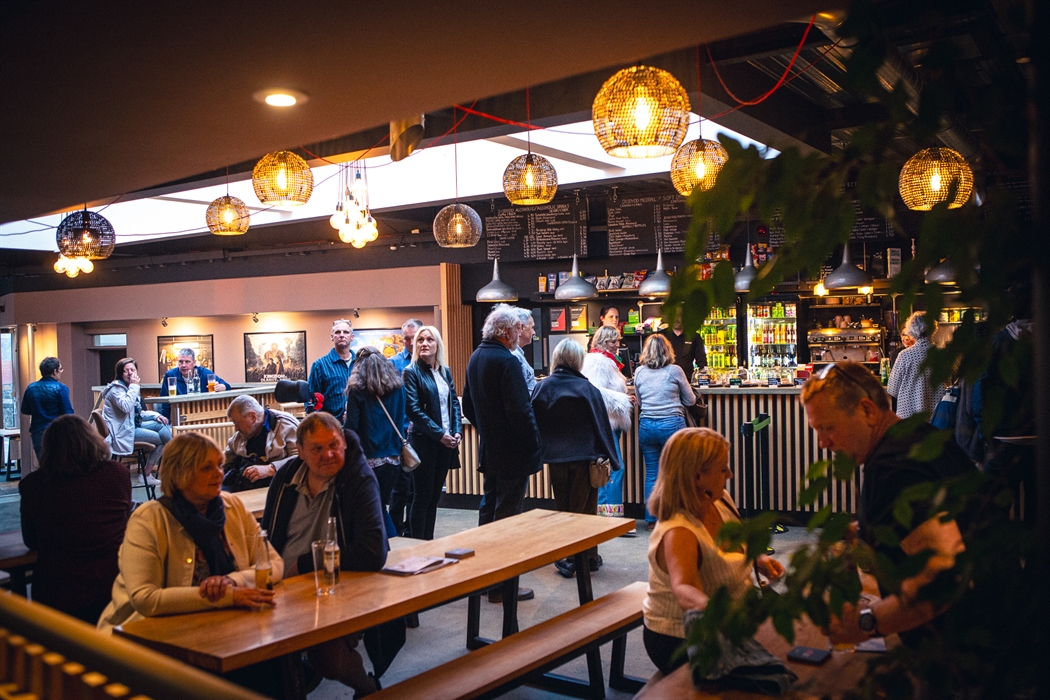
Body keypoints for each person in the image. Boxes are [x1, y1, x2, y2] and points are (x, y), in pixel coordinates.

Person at [800, 362, 975, 647]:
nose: (823, 443)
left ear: (868, 411)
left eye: (828, 428)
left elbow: (945, 578)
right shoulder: (920, 437)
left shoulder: (892, 468)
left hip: (961, 659)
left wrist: (865, 624)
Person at [261, 412, 392, 695]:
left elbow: (372, 552)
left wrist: (306, 564)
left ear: (344, 442)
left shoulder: (357, 479)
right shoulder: (286, 478)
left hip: (337, 588)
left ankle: (368, 689)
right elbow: (267, 538)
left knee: (328, 657)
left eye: (333, 444)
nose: (328, 454)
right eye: (317, 449)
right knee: (254, 651)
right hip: (282, 588)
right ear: (301, 452)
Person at [98, 432, 280, 634]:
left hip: (221, 627)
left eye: (219, 465)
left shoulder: (233, 506)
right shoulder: (149, 519)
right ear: (180, 473)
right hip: (144, 637)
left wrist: (232, 581)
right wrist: (225, 596)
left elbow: (274, 563)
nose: (219, 473)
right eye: (206, 468)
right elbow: (145, 599)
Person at [642, 428, 784, 675]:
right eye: (723, 469)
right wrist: (727, 616)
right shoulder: (679, 529)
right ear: (698, 477)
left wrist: (757, 558)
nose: (730, 474)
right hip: (681, 637)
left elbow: (736, 541)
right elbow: (685, 591)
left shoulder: (720, 499)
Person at [461, 304, 541, 603]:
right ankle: (503, 586)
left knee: (488, 512)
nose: (519, 334)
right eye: (517, 330)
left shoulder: (476, 357)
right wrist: (534, 443)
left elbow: (467, 405)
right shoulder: (508, 362)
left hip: (490, 448)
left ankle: (485, 580)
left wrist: (487, 429)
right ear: (508, 332)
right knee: (508, 520)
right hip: (513, 453)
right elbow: (521, 411)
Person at [19, 415, 131, 623]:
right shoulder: (117, 474)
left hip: (58, 595)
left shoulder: (34, 485)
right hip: (114, 587)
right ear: (92, 440)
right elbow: (124, 527)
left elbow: (30, 540)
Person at [532, 339, 620, 578]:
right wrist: (612, 458)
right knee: (586, 508)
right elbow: (601, 425)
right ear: (578, 360)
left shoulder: (543, 386)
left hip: (556, 459)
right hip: (586, 458)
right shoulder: (587, 388)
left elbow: (534, 421)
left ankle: (571, 557)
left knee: (565, 509)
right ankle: (586, 557)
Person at [402, 326, 462, 541]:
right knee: (422, 496)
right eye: (420, 340)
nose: (424, 343)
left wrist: (457, 432)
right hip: (423, 442)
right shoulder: (411, 372)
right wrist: (439, 435)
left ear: (437, 345)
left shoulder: (444, 371)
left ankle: (429, 540)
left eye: (429, 339)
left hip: (445, 443)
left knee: (435, 496)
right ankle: (418, 543)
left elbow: (454, 403)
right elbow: (414, 411)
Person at [634, 334, 695, 530]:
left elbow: (641, 402)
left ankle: (652, 520)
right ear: (667, 351)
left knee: (652, 473)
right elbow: (691, 400)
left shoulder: (639, 372)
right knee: (676, 472)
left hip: (646, 426)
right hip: (671, 425)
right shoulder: (675, 371)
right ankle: (676, 517)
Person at [345, 346, 407, 536]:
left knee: (375, 506)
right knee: (380, 503)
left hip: (369, 459)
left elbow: (351, 428)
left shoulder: (357, 389)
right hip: (394, 458)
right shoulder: (398, 387)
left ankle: (391, 540)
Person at [584, 326, 634, 525]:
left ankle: (605, 516)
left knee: (605, 468)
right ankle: (612, 519)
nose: (617, 345)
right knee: (613, 468)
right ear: (603, 342)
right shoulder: (598, 362)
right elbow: (596, 392)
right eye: (613, 342)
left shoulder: (603, 361)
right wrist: (623, 399)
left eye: (617, 341)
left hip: (608, 421)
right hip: (605, 422)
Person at [101, 358, 170, 482]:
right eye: (126, 371)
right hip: (123, 431)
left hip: (132, 425)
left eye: (132, 370)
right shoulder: (116, 389)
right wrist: (134, 386)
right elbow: (126, 407)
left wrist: (156, 416)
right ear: (120, 374)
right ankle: (148, 474)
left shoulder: (130, 388)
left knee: (161, 425)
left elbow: (139, 413)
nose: (130, 373)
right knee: (162, 439)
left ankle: (148, 475)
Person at [222, 394, 299, 492]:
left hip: (278, 486)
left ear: (253, 417)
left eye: (237, 423)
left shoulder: (285, 424)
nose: (236, 429)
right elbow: (226, 460)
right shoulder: (241, 434)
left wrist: (271, 469)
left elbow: (300, 458)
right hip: (244, 484)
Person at [389, 318, 423, 535]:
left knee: (418, 490)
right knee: (400, 489)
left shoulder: (430, 361)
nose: (410, 343)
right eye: (406, 339)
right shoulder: (394, 364)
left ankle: (413, 530)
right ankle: (394, 531)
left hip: (423, 433)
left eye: (414, 338)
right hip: (401, 435)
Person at [887, 311, 941, 419]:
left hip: (909, 417)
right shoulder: (943, 354)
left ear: (911, 330)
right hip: (937, 416)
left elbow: (892, 389)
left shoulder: (904, 355)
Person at [20, 356, 73, 458]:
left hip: (37, 431)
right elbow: (68, 413)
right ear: (54, 371)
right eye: (60, 369)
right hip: (57, 432)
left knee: (43, 464)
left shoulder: (31, 388)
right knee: (59, 464)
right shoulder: (61, 388)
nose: (61, 372)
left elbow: (25, 410)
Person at [158, 349, 229, 421]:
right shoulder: (171, 375)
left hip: (202, 415)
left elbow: (227, 386)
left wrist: (220, 387)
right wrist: (166, 420)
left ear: (194, 363)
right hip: (179, 417)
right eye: (180, 362)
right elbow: (164, 400)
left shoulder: (203, 373)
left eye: (187, 362)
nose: (183, 365)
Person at [308, 319, 357, 421]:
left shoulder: (361, 364)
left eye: (346, 332)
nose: (341, 335)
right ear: (332, 337)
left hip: (358, 428)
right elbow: (311, 400)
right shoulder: (320, 365)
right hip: (331, 428)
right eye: (337, 332)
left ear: (352, 337)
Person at [661, 306, 707, 381]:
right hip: (665, 382)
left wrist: (704, 378)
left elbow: (702, 362)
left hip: (687, 381)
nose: (676, 319)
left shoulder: (694, 336)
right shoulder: (661, 336)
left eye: (679, 316)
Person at [511, 306, 537, 393]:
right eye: (532, 327)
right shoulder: (514, 356)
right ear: (521, 328)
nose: (534, 332)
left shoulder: (516, 354)